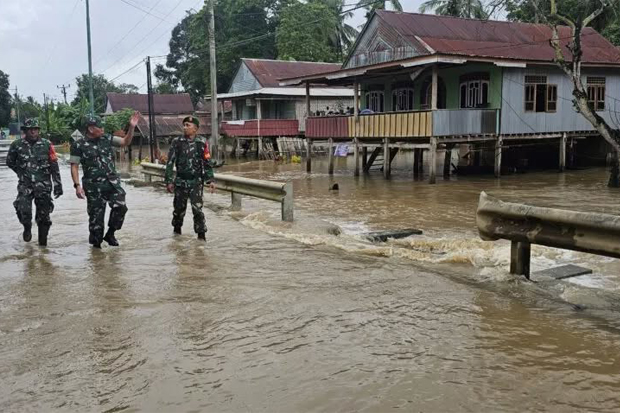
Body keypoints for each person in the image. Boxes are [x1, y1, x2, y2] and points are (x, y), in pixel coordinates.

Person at [69, 113, 139, 248]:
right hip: (93, 187)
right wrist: (77, 186)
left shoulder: (107, 139)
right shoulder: (78, 145)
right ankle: (96, 256)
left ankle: (111, 233)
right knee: (96, 224)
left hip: (112, 183)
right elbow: (74, 166)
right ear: (90, 129)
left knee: (121, 207)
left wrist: (131, 128)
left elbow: (125, 142)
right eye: (100, 127)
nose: (103, 129)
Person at [6, 118, 63, 246]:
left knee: (44, 218)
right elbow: (10, 162)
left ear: (38, 131)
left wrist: (58, 184)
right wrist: (21, 172)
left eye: (35, 129)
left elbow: (54, 165)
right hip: (25, 185)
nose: (33, 132)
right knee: (23, 210)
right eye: (30, 130)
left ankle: (43, 246)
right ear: (25, 131)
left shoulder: (47, 144)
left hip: (43, 186)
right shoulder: (16, 145)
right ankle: (27, 228)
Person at [165, 116, 216, 240]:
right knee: (178, 211)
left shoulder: (202, 142)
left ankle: (201, 238)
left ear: (196, 129)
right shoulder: (177, 142)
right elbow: (170, 162)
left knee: (197, 210)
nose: (185, 127)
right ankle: (177, 236)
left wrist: (210, 180)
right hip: (180, 181)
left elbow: (207, 162)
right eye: (184, 125)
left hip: (196, 182)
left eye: (188, 125)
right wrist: (169, 180)